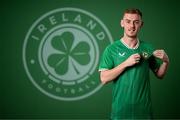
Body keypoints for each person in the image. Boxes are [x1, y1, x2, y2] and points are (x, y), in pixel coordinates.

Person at [98, 8, 169, 119]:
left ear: (141, 24)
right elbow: (104, 78)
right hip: (120, 113)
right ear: (122, 23)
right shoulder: (111, 49)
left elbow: (159, 74)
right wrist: (126, 63)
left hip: (144, 113)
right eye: (128, 21)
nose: (132, 26)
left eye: (136, 22)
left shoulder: (147, 48)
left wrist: (166, 61)